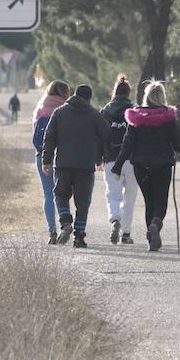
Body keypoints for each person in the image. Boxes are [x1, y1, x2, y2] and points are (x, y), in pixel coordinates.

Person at [111, 81, 180, 252]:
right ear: (162, 97)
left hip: (141, 165)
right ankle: (155, 225)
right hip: (163, 165)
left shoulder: (136, 118)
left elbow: (127, 145)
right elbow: (179, 145)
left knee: (149, 201)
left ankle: (151, 236)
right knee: (161, 203)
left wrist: (117, 166)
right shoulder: (168, 118)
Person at [43, 83, 111, 247]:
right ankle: (79, 237)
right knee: (83, 201)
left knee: (60, 194)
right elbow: (107, 134)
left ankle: (66, 222)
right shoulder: (93, 114)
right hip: (85, 166)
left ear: (74, 95)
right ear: (89, 98)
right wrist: (100, 157)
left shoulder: (59, 112)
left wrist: (46, 160)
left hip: (63, 164)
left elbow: (49, 136)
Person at [99, 74, 138, 245]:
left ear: (114, 92)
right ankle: (126, 233)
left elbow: (98, 136)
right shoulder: (135, 111)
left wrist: (98, 158)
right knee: (129, 197)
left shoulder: (104, 112)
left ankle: (115, 220)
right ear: (129, 93)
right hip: (131, 160)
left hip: (111, 159)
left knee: (113, 195)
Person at [32, 81, 71, 245]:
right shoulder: (67, 109)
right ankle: (66, 224)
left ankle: (52, 231)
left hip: (42, 155)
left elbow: (35, 134)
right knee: (62, 193)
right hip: (63, 156)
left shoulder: (40, 108)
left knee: (48, 194)